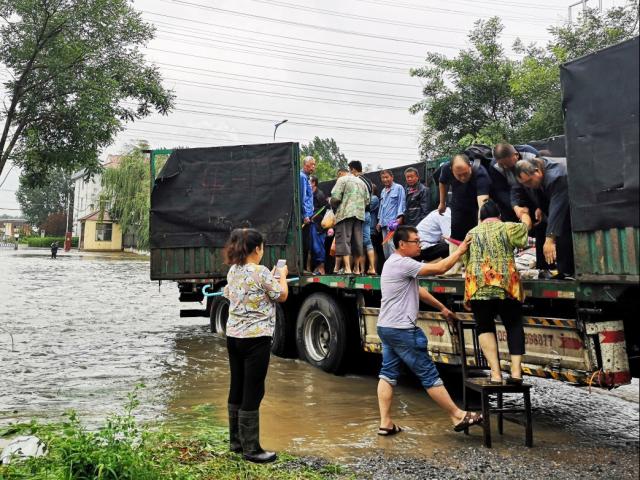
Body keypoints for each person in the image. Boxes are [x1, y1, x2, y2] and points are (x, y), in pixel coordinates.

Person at [377, 226, 483, 436]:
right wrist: (460, 250)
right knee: (428, 373)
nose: (420, 245)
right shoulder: (402, 263)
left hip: (386, 327)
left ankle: (386, 423)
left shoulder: (394, 263)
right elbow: (441, 268)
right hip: (402, 330)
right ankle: (457, 415)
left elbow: (418, 290)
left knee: (388, 374)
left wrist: (442, 308)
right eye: (416, 241)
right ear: (402, 245)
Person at [222, 228, 289, 463]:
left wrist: (269, 277)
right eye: (262, 248)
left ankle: (236, 443)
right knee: (254, 389)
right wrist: (281, 275)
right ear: (258, 249)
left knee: (237, 386)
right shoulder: (261, 272)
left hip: (233, 337)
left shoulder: (234, 270)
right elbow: (281, 295)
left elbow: (232, 293)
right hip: (256, 339)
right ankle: (252, 449)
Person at [463, 200, 528, 384]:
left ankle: (496, 374)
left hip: (479, 287)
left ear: (481, 218)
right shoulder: (508, 228)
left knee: (484, 327)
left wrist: (467, 295)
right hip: (505, 287)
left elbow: (466, 263)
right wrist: (524, 215)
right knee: (513, 324)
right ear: (499, 215)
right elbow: (524, 233)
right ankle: (516, 373)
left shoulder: (471, 233)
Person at [513, 157, 574, 277]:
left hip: (575, 208)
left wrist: (550, 239)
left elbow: (558, 208)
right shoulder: (535, 175)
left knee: (561, 233)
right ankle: (550, 269)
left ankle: (567, 272)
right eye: (524, 184)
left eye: (529, 182)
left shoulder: (557, 176)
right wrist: (539, 207)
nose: (528, 186)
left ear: (537, 171)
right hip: (557, 209)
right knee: (542, 227)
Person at [438, 154, 491, 242]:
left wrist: (480, 228)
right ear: (452, 170)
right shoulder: (446, 168)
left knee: (476, 235)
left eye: (465, 173)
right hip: (458, 202)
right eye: (459, 175)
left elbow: (483, 203)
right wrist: (442, 203)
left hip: (476, 205)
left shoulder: (480, 173)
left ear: (470, 166)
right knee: (456, 233)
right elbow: (442, 182)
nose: (463, 178)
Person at [330, 167, 370, 274]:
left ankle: (347, 268)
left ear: (340, 173)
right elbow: (367, 201)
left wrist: (333, 206)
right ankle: (356, 269)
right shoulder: (362, 182)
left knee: (344, 240)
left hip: (345, 214)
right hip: (359, 215)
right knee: (357, 242)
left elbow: (335, 197)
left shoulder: (342, 180)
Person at [490, 143, 539, 224]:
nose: (505, 167)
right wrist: (516, 208)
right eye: (502, 165)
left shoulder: (531, 155)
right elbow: (501, 191)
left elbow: (540, 179)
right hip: (513, 194)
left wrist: (539, 205)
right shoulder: (494, 166)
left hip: (534, 190)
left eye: (508, 164)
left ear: (516, 155)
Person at [348, 160, 375, 275]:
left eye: (350, 170)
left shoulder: (356, 181)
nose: (350, 172)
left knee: (357, 242)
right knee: (368, 242)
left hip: (359, 214)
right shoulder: (368, 181)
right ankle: (372, 268)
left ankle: (357, 269)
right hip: (368, 214)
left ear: (354, 169)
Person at [377, 169, 405, 259]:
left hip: (393, 222)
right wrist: (379, 222)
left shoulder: (398, 188)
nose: (385, 179)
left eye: (387, 177)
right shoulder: (383, 191)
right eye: (383, 178)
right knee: (385, 245)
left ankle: (395, 267)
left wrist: (400, 217)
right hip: (384, 223)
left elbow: (402, 202)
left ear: (392, 177)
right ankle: (389, 266)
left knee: (392, 243)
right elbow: (382, 207)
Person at [309, 175, 329, 275]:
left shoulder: (319, 194)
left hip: (319, 226)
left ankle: (322, 268)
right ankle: (317, 268)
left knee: (318, 247)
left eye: (308, 181)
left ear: (313, 183)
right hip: (312, 224)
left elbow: (325, 210)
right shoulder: (309, 194)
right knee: (313, 247)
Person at [300, 156, 316, 272]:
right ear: (306, 165)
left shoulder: (307, 178)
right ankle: (303, 268)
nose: (314, 167)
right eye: (312, 164)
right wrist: (305, 215)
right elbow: (302, 198)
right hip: (304, 217)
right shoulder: (301, 177)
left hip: (309, 215)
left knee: (308, 243)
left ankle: (305, 267)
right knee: (304, 243)